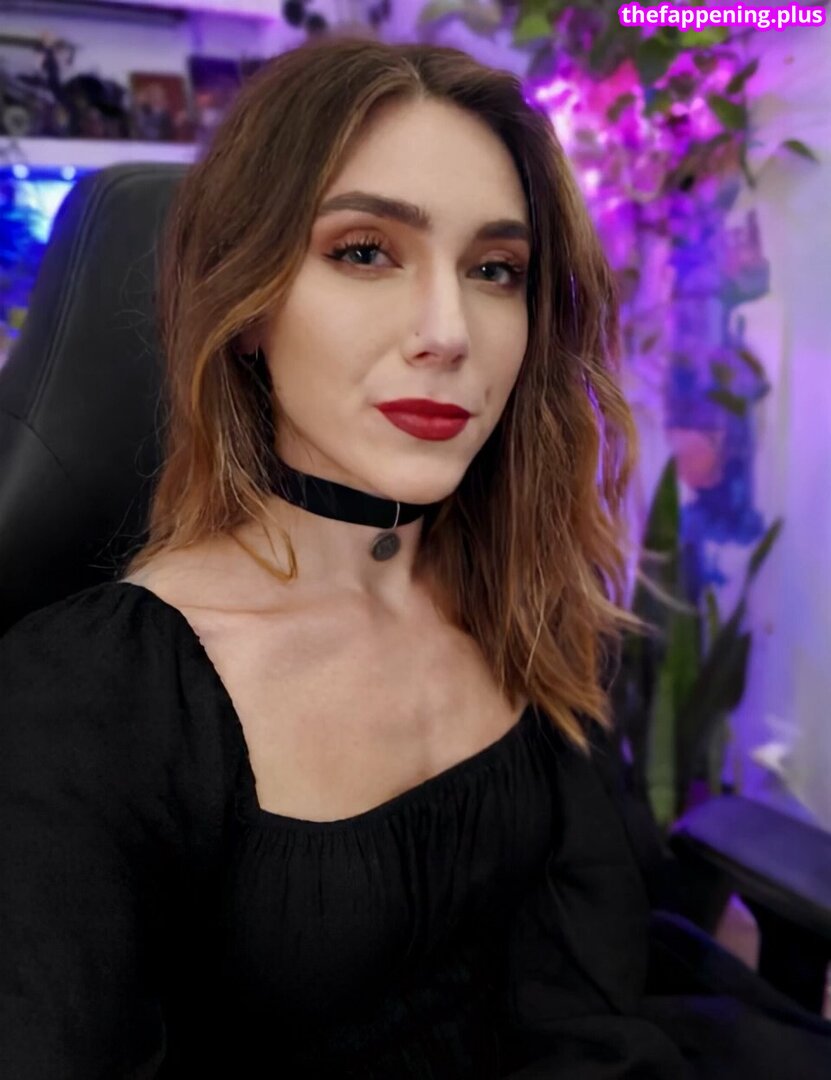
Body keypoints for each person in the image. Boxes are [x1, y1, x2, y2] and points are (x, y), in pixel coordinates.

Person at [1, 36, 829, 1080]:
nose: (450, 331)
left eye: (494, 270)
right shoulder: (88, 701)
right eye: (364, 252)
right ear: (247, 304)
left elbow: (596, 963)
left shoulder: (519, 591)